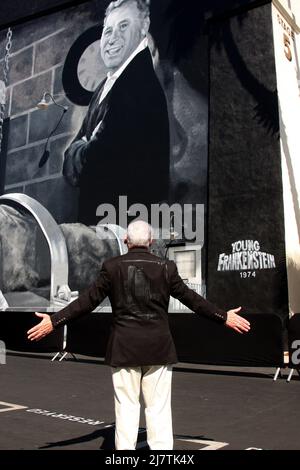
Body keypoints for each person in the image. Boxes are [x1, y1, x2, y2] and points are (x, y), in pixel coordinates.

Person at [27, 220, 251, 450]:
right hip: (159, 349)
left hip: (124, 349)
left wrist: (54, 321)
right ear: (151, 242)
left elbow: (87, 301)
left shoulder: (112, 267)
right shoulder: (167, 267)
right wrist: (223, 316)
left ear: (126, 241)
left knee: (126, 407)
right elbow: (193, 300)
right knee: (158, 409)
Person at [63, 0, 170, 225]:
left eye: (123, 26)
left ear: (144, 26)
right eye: (108, 30)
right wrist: (85, 147)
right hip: (100, 230)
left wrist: (82, 147)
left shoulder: (139, 84)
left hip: (123, 232)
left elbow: (100, 163)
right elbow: (69, 166)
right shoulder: (107, 85)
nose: (111, 38)